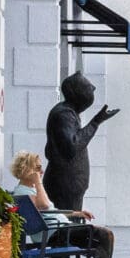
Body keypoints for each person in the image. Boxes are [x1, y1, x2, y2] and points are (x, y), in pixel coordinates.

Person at [9, 149, 126, 258]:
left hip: (59, 230)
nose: (42, 171)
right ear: (27, 170)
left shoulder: (29, 189)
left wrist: (75, 213)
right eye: (37, 168)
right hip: (53, 233)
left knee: (101, 241)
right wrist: (38, 181)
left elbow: (49, 211)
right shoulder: (24, 191)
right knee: (103, 235)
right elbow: (44, 206)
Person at [42, 72, 118, 214]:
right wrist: (96, 122)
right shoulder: (63, 114)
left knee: (69, 226)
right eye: (88, 88)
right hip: (65, 184)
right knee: (65, 228)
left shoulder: (69, 113)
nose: (93, 89)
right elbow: (73, 145)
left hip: (70, 185)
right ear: (77, 92)